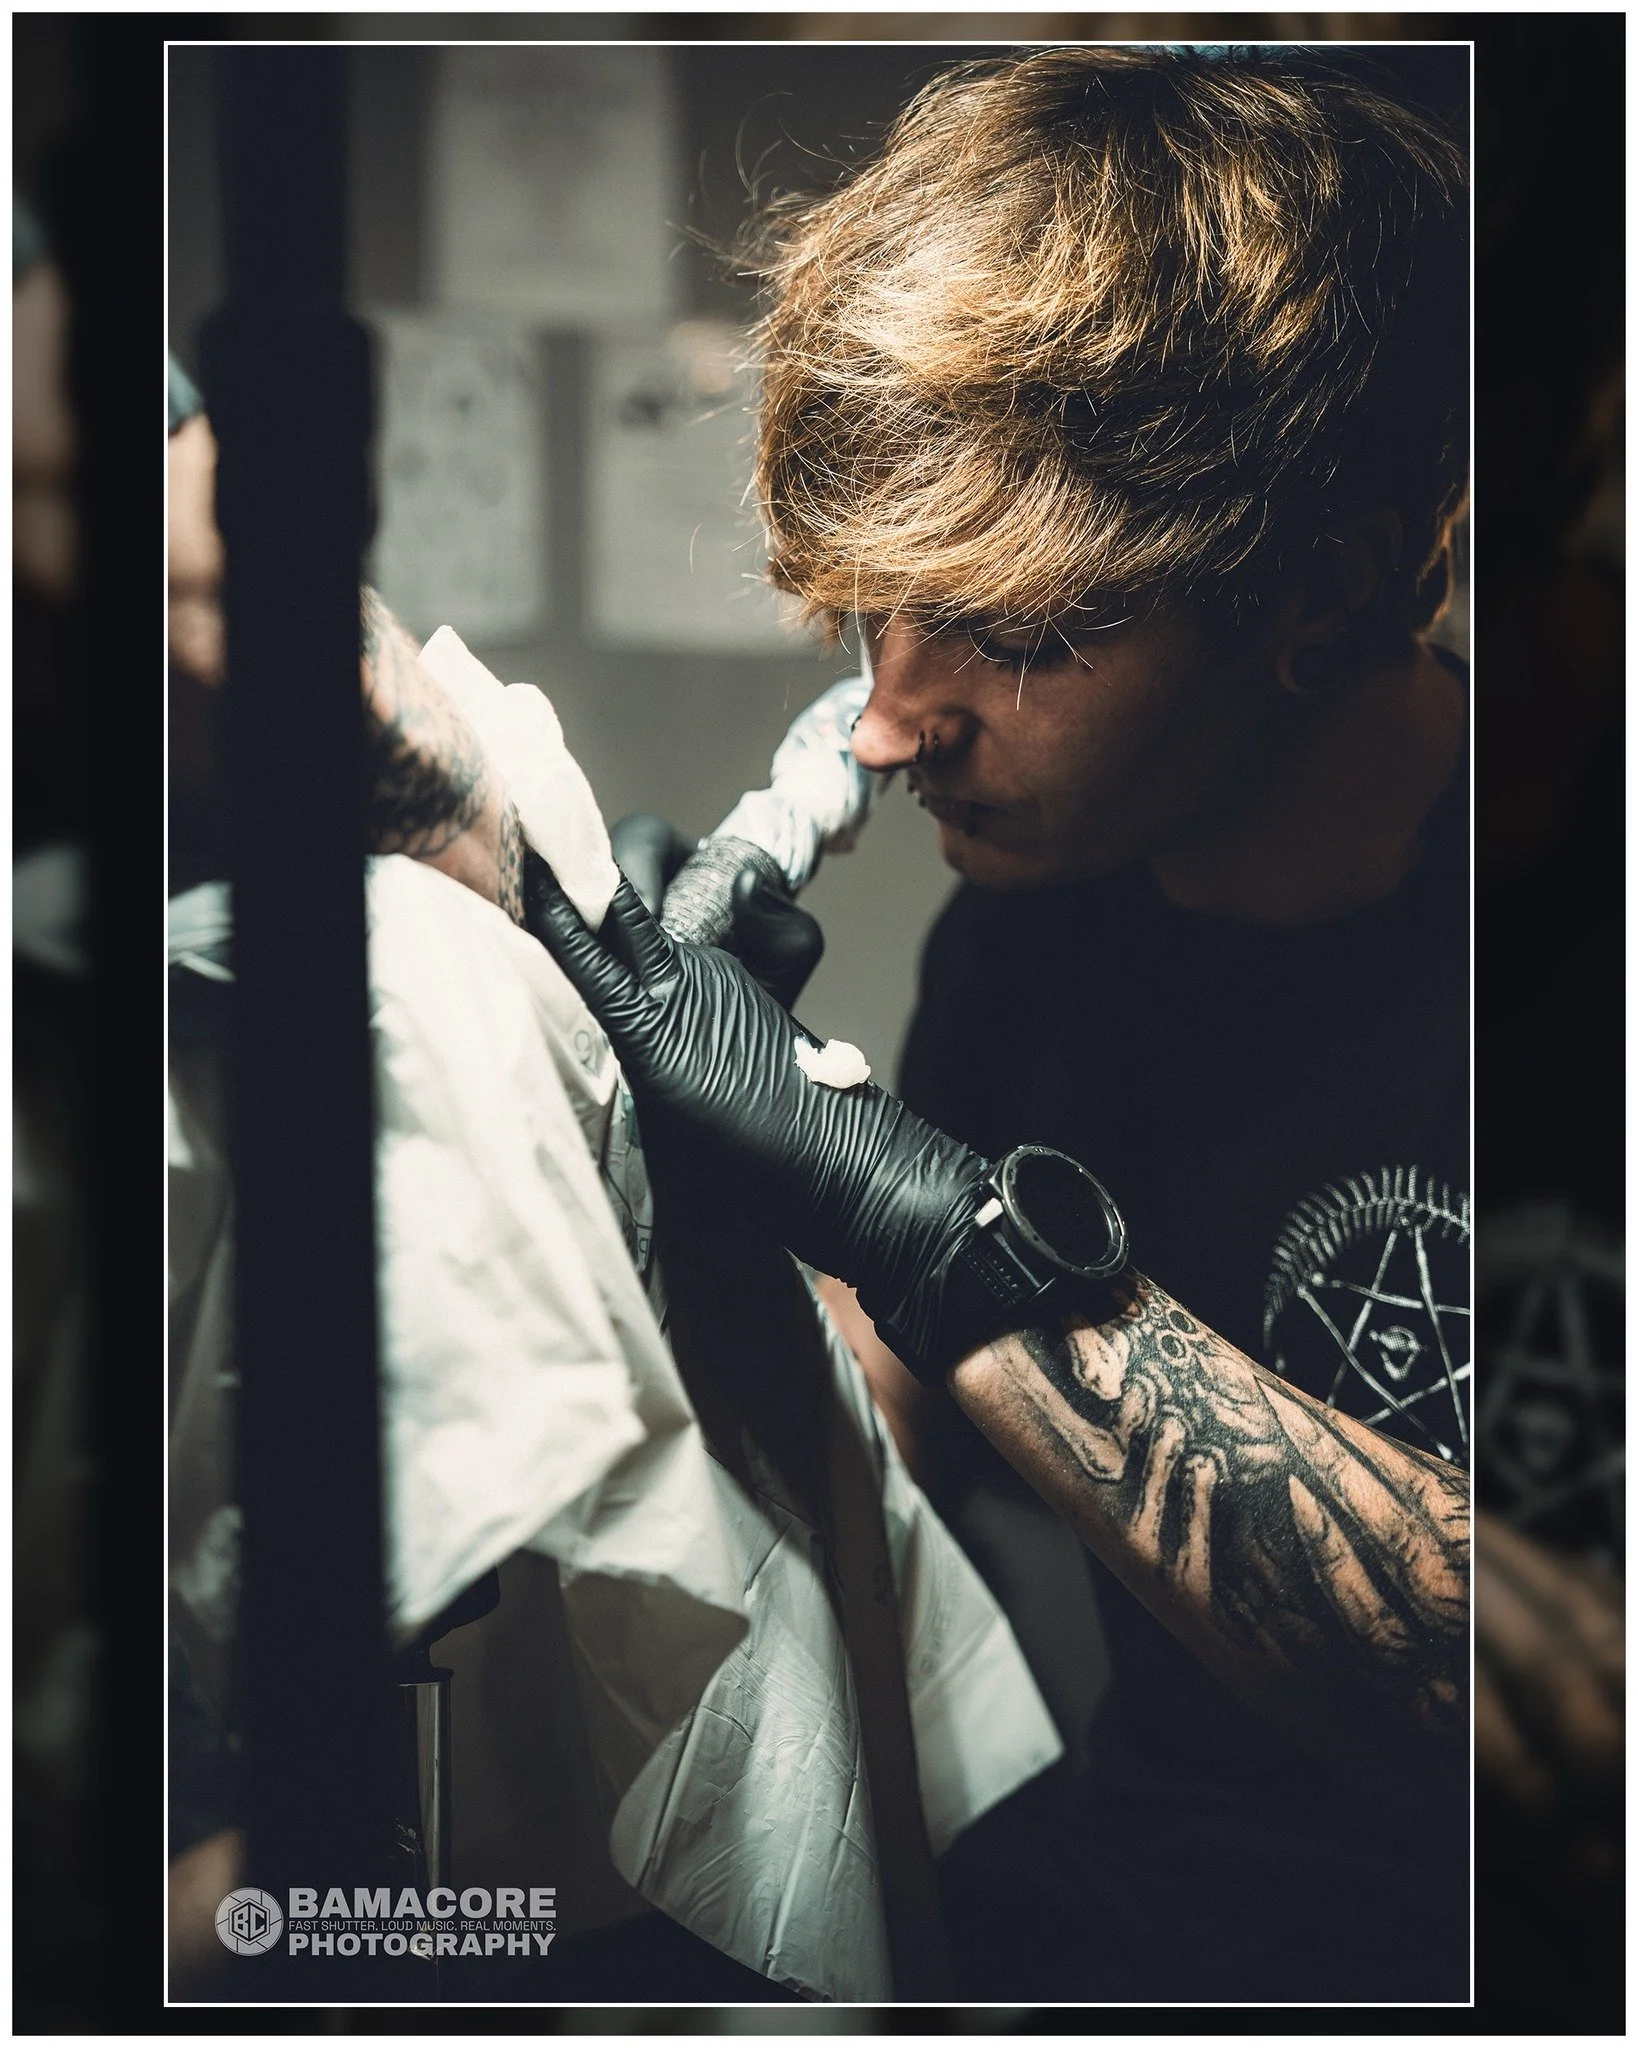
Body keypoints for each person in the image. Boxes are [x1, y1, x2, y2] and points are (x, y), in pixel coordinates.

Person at [528, 46, 1472, 2004]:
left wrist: (928, 1216)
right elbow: (905, 1449)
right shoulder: (1031, 946)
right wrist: (722, 1207)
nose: (887, 721)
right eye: (879, 608)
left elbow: (1562, 1708)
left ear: (1322, 586)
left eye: (1019, 633)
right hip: (1152, 1939)